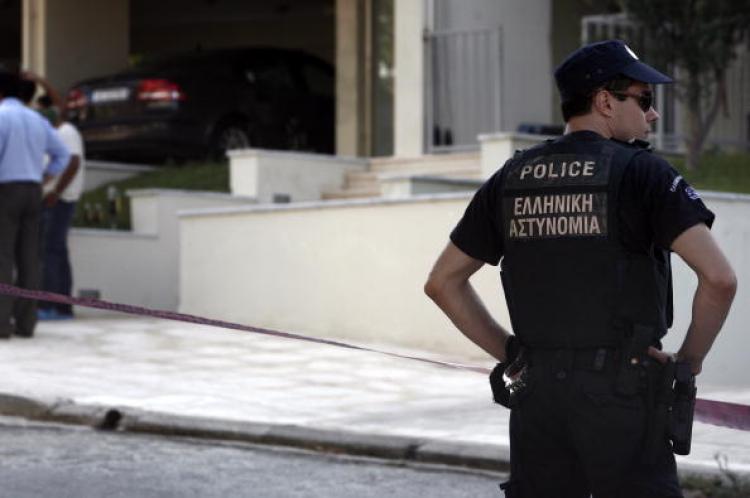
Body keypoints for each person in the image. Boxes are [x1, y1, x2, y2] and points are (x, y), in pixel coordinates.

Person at [424, 40, 736, 497]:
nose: (651, 115)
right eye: (644, 100)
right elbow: (721, 279)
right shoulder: (644, 174)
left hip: (538, 399)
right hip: (623, 393)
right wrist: (686, 365)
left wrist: (513, 356)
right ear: (605, 102)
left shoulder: (511, 178)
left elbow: (443, 282)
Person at [0, 69, 70, 338]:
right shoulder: (36, 119)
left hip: (6, 190)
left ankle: (2, 323)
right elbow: (62, 154)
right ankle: (26, 323)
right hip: (33, 190)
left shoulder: (2, 117)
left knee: (3, 257)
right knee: (29, 258)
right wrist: (45, 177)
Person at [24, 72, 85, 319]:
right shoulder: (49, 136)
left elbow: (73, 163)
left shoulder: (66, 130)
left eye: (41, 111)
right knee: (56, 252)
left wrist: (56, 193)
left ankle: (50, 306)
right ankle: (61, 306)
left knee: (50, 251)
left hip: (61, 200)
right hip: (51, 198)